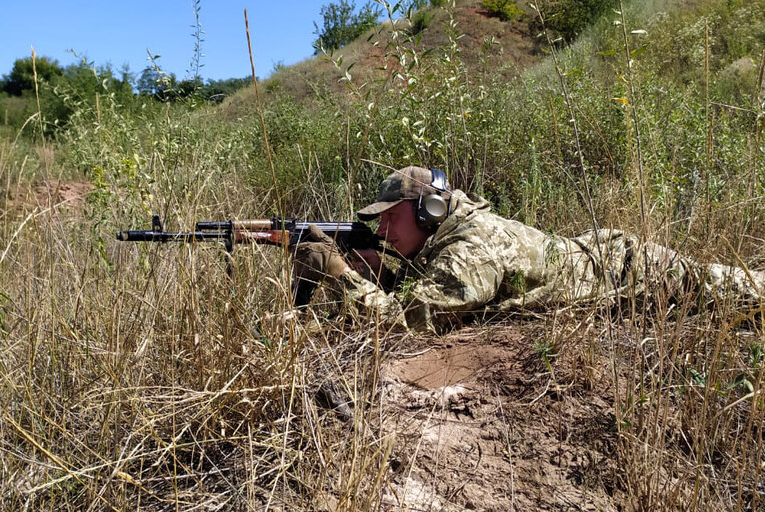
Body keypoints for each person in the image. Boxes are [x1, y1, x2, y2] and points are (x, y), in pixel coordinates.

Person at [293, 166, 765, 333]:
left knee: (745, 291)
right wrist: (384, 272)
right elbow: (426, 292)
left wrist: (338, 271)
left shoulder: (471, 249)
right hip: (602, 254)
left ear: (428, 211)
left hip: (627, 269)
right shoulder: (452, 236)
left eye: (392, 216)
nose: (384, 228)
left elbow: (406, 323)